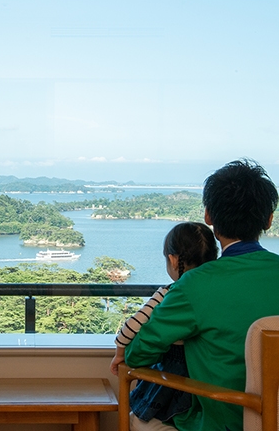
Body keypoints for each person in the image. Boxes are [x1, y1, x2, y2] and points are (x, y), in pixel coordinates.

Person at [124, 159, 279, 431]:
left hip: (222, 423)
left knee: (138, 418)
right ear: (268, 220)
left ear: (208, 216)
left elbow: (137, 356)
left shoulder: (194, 284)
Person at [110, 222, 218, 423]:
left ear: (173, 260)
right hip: (208, 382)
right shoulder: (217, 292)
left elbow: (132, 326)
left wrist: (119, 353)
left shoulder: (170, 292)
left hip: (174, 381)